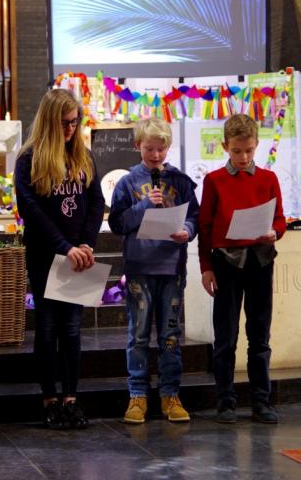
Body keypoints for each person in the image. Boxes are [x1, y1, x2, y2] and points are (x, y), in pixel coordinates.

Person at [14, 89, 105, 430]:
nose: (71, 128)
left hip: (77, 256)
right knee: (48, 327)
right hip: (45, 255)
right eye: (65, 123)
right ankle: (50, 399)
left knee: (71, 329)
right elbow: (31, 210)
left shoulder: (83, 156)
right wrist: (64, 246)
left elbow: (96, 202)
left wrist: (86, 244)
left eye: (75, 122)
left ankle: (71, 399)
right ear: (51, 121)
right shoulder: (29, 159)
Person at [108, 118, 200, 424]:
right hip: (140, 268)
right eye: (150, 149)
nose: (156, 155)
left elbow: (195, 217)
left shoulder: (182, 182)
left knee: (170, 335)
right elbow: (118, 224)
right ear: (138, 147)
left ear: (168, 148)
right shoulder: (127, 183)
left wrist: (187, 229)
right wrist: (143, 205)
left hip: (171, 267)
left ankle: (170, 394)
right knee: (139, 334)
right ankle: (137, 395)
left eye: (161, 149)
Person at [199, 113, 286, 424]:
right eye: (237, 151)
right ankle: (225, 401)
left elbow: (280, 220)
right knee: (226, 336)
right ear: (225, 146)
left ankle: (262, 401)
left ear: (256, 145)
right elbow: (205, 228)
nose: (243, 157)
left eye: (249, 150)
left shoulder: (268, 179)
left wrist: (275, 232)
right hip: (225, 262)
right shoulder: (214, 181)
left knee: (259, 335)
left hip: (260, 259)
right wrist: (206, 267)